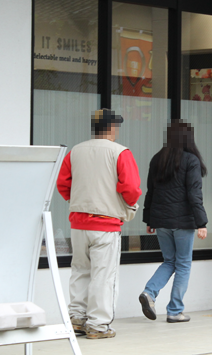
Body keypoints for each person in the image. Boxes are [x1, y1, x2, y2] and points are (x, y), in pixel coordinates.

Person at [56, 109, 142, 339]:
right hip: (106, 224)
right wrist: (128, 205)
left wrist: (78, 200)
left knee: (80, 271)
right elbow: (131, 188)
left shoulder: (75, 152)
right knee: (103, 276)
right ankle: (98, 325)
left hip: (78, 223)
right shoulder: (120, 152)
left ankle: (77, 319)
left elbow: (63, 184)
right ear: (112, 128)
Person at [138, 120, 208, 323]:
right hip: (183, 222)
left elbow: (151, 191)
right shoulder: (191, 160)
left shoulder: (157, 159)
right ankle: (175, 310)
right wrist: (202, 223)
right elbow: (194, 194)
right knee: (183, 263)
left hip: (161, 221)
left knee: (170, 261)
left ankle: (149, 292)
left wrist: (149, 219)